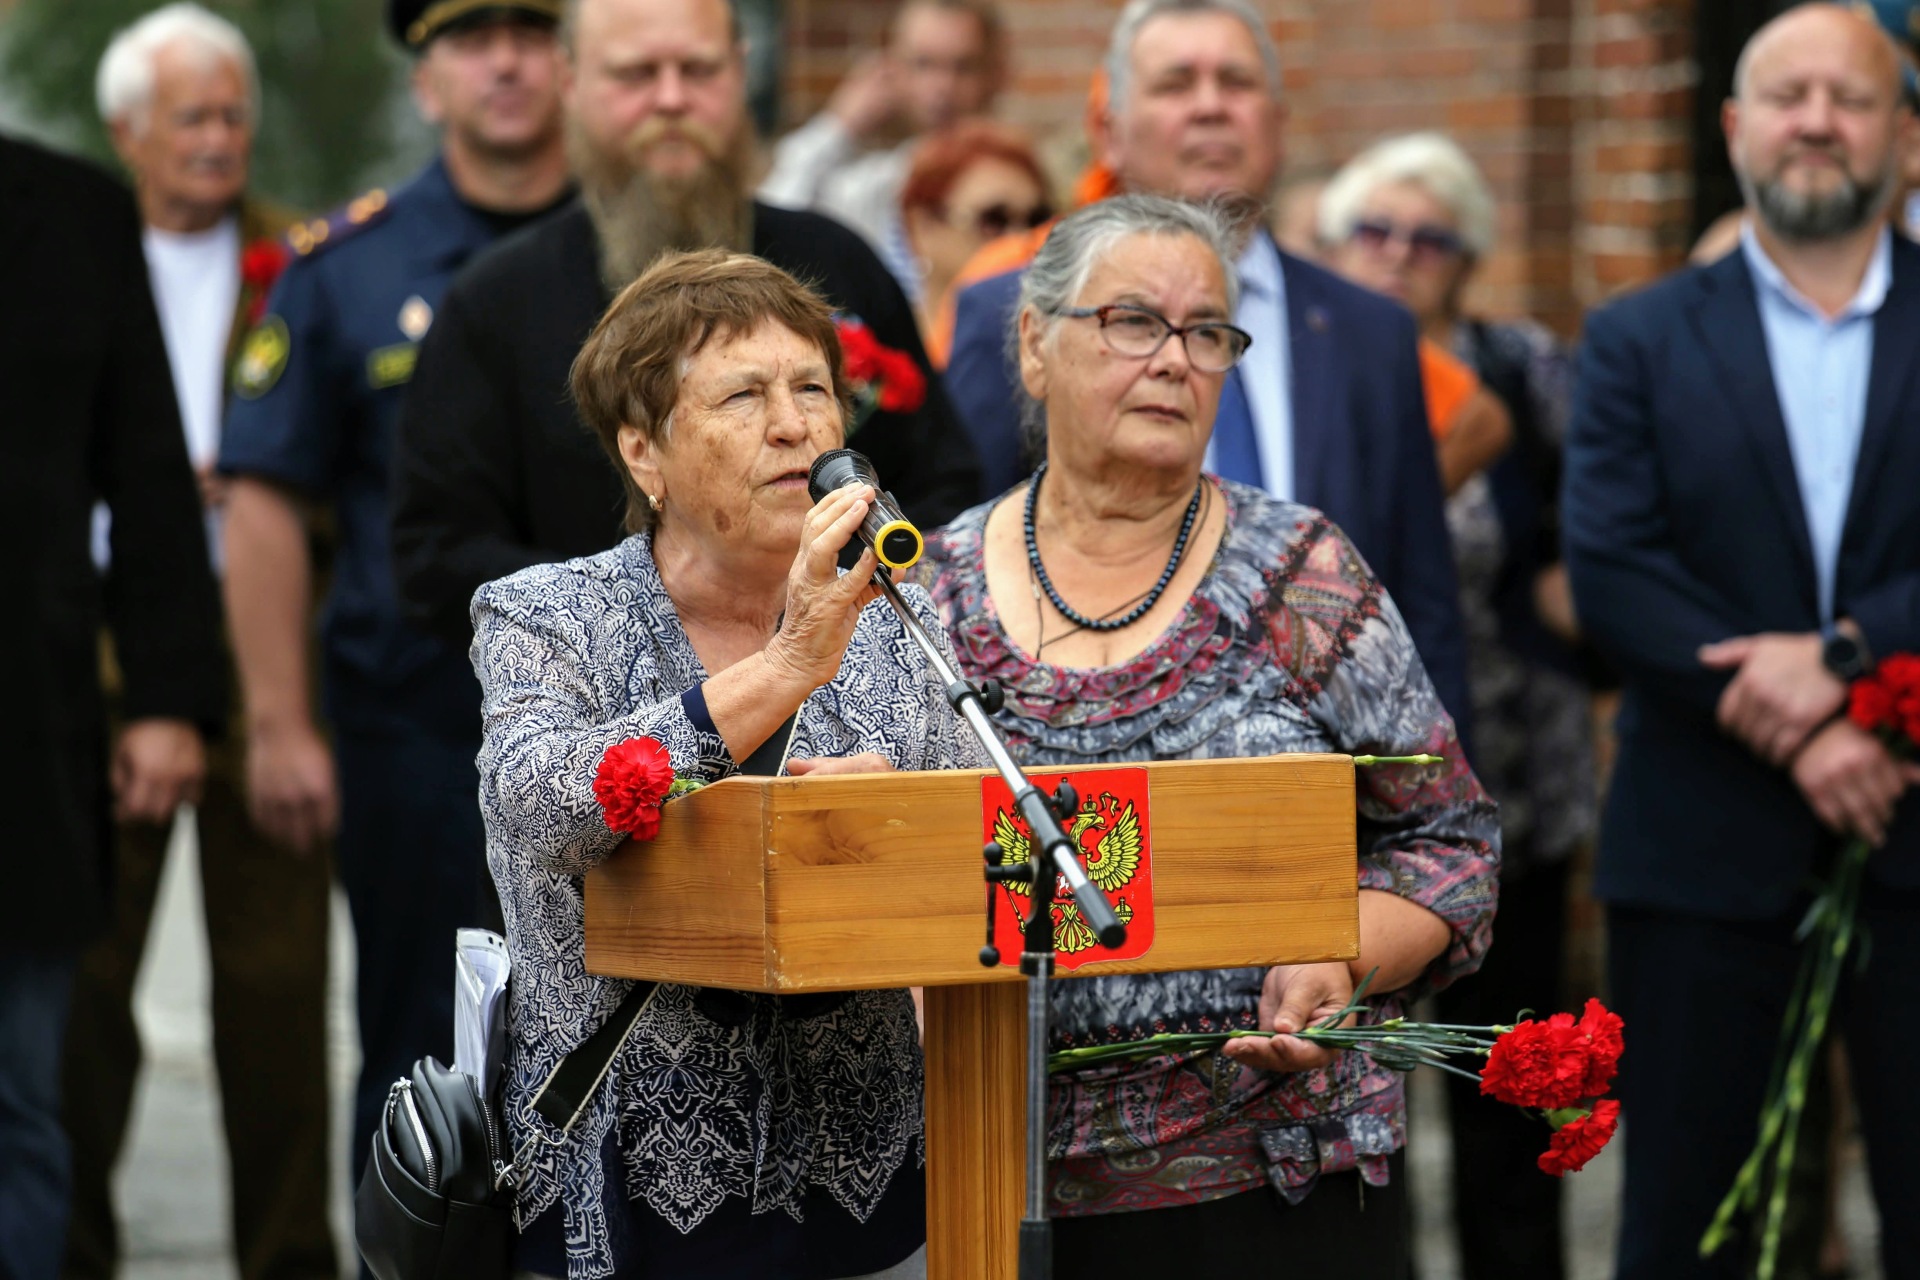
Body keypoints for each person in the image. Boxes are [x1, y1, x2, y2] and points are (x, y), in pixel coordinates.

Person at [911, 194, 1498, 1278]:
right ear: (1035, 344)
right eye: (1134, 321)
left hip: (1276, 1181)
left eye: (1207, 332)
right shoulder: (927, 596)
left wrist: (1341, 952)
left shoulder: (1302, 575)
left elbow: (1452, 842)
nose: (1175, 360)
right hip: (997, 1180)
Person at [475, 249, 981, 1279]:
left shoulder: (902, 616)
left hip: (864, 1187)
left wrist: (898, 823)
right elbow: (544, 803)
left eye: (814, 390)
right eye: (743, 396)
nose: (794, 425)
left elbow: (995, 846)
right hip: (624, 1184)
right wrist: (789, 665)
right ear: (643, 453)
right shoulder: (544, 613)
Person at [1564, 6, 1920, 1275]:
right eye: (1786, 95)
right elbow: (1613, 566)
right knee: (1692, 1226)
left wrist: (1848, 658)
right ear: (1733, 127)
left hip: (1916, 830)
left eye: (1851, 97)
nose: (1816, 120)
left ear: (1908, 138)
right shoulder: (1638, 335)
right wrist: (1810, 729)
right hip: (1701, 851)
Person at [216, 0, 571, 1198]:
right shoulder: (344, 268)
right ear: (426, 82)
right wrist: (279, 723)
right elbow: (265, 500)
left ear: (572, 65)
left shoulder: (635, 250)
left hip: (626, 728)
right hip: (416, 727)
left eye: (530, 32)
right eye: (472, 40)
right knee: (420, 1046)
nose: (506, 61)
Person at [941, 0, 1472, 744]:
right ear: (1108, 131)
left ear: (1279, 122)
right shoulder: (1015, 306)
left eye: (1236, 82)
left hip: (1322, 778)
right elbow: (959, 562)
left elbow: (1424, 595)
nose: (1211, 106)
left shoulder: (1371, 330)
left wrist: (1427, 774)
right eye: (1176, 83)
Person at [390, 0, 981, 651]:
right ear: (570, 82)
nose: (671, 100)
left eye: (698, 70)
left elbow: (941, 489)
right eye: (636, 74)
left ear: (741, 73)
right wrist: (670, 619)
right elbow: (440, 553)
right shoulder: (496, 299)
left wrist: (818, 605)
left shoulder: (836, 263)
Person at [56, 10, 330, 1280]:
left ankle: (289, 1256)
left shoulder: (300, 261)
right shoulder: (66, 253)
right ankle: (65, 1249)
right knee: (82, 995)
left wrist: (265, 485)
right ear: (127, 133)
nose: (218, 139)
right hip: (103, 666)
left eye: (233, 115)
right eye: (190, 118)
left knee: (277, 1000)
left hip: (267, 664)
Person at [1320, 129, 1597, 1280]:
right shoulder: (1316, 369)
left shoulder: (1516, 366)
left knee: (1509, 1084)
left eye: (1429, 239)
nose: (1399, 254)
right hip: (1340, 788)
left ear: (1468, 259)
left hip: (1509, 769)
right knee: (1348, 1107)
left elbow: (1587, 518)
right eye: (1374, 230)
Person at [0, 134, 226, 1280]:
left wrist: (166, 698)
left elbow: (148, 474)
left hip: (21, 738)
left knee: (14, 1104)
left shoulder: (76, 213)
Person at [759, 0, 1004, 292]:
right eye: (924, 64)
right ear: (893, 68)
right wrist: (838, 126)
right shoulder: (876, 187)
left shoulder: (1019, 187)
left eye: (963, 67)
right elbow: (769, 231)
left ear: (995, 73)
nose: (943, 86)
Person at [897, 120, 1051, 363]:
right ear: (922, 227)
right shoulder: (885, 343)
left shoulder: (1046, 349)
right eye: (993, 220)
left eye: (1037, 220)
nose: (1021, 239)